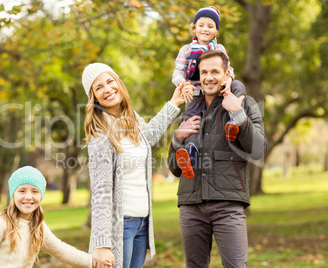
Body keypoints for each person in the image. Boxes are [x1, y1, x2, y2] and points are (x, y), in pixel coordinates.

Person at [81, 62, 193, 268]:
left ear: (118, 83)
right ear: (93, 97)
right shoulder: (100, 134)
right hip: (120, 226)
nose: (107, 89)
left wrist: (174, 102)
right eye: (98, 87)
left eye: (109, 81)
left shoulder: (131, 119)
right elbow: (101, 192)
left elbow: (149, 135)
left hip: (142, 222)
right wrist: (101, 243)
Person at [167, 50, 267, 268]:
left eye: (214, 71)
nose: (208, 77)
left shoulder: (245, 102)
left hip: (228, 205)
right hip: (191, 206)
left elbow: (258, 150)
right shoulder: (190, 108)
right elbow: (174, 169)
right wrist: (177, 138)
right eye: (204, 72)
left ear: (226, 74)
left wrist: (238, 114)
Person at [0, 166, 99, 268]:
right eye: (22, 191)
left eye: (34, 191)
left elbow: (62, 251)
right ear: (13, 194)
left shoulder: (38, 227)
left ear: (41, 196)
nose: (28, 196)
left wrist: (93, 261)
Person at [172, 6, 246, 178]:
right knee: (193, 123)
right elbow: (178, 72)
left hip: (220, 89)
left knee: (238, 85)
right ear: (194, 28)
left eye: (210, 26)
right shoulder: (186, 50)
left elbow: (229, 69)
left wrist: (228, 80)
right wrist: (183, 85)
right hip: (195, 92)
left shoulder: (219, 49)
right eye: (201, 25)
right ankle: (190, 154)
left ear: (216, 31)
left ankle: (232, 124)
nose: (205, 29)